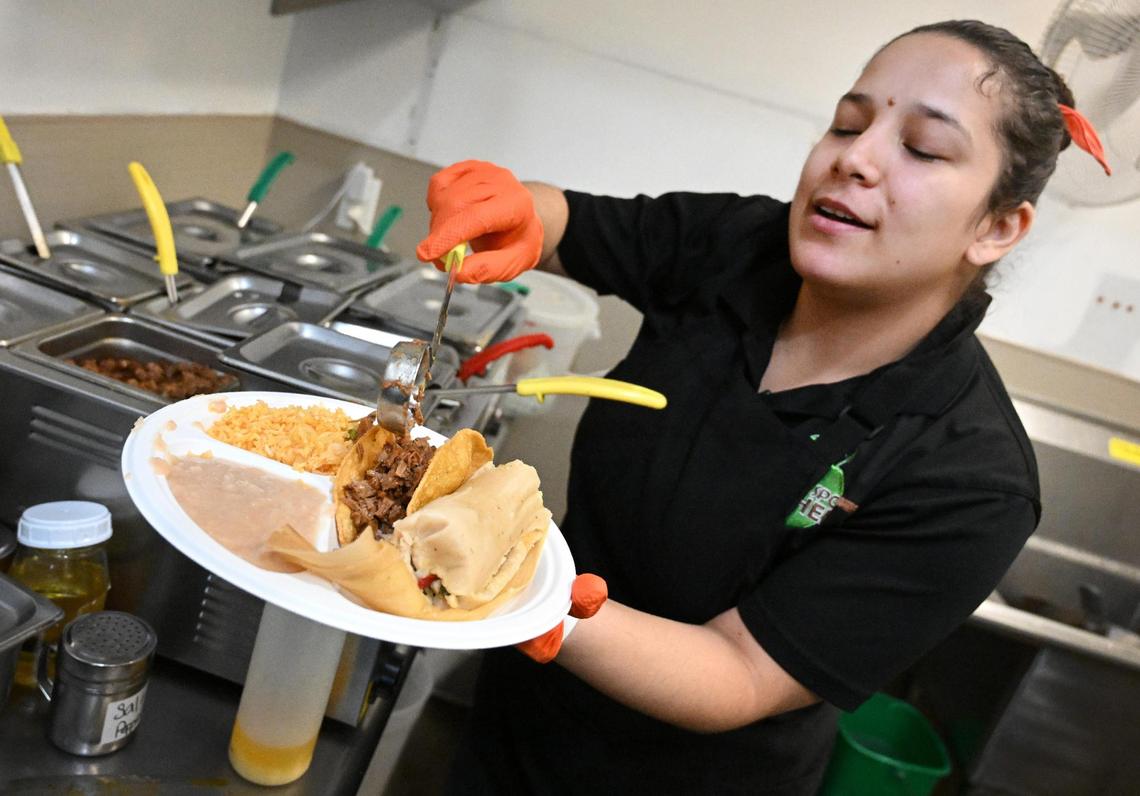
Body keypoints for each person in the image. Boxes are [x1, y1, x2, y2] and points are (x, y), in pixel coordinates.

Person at [414, 19, 1111, 795]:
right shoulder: (741, 246)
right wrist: (515, 208)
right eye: (847, 123)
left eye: (921, 148)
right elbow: (565, 224)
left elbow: (739, 673)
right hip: (516, 724)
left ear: (998, 226)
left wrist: (523, 594)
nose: (854, 157)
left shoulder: (970, 479)